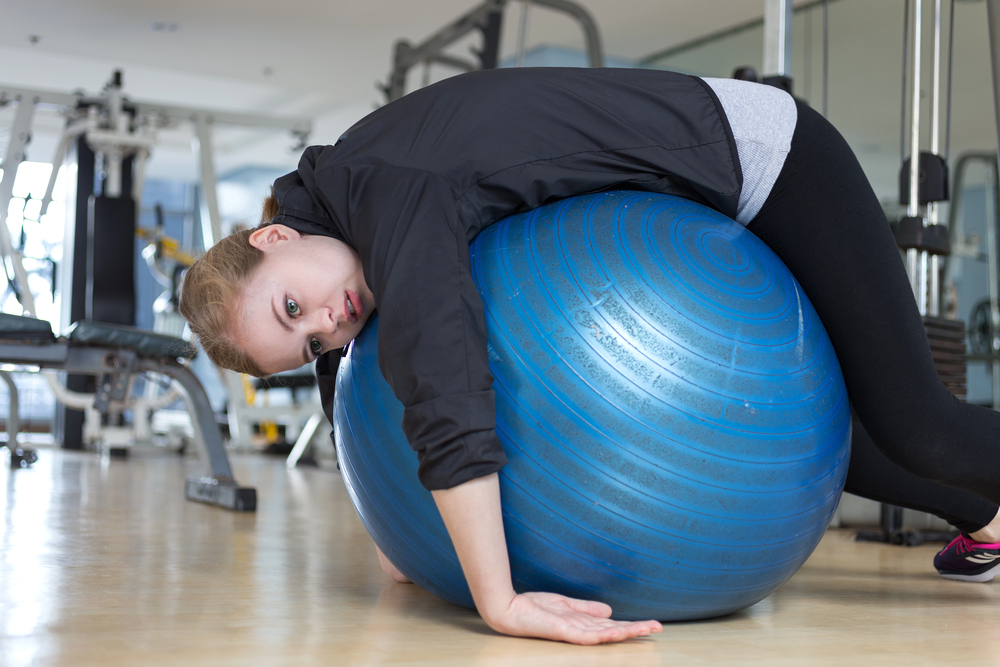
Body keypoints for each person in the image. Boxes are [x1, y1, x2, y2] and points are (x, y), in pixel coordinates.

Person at [179, 67, 1000, 644]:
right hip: (685, 209)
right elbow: (342, 371)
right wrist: (392, 521)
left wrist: (497, 598)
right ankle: (987, 515)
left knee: (916, 420)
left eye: (294, 305)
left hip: (763, 159)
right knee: (796, 439)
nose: (329, 320)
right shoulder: (331, 221)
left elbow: (444, 368)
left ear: (276, 234)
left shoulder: (384, 191)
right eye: (307, 338)